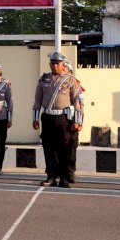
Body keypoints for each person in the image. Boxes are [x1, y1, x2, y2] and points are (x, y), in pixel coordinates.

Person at [32, 51, 83, 188]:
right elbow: (37, 101)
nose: (55, 66)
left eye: (58, 63)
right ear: (50, 64)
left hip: (63, 118)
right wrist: (35, 119)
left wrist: (77, 121)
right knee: (49, 148)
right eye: (53, 63)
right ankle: (51, 176)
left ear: (62, 64)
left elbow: (76, 102)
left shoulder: (70, 80)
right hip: (48, 117)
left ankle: (65, 178)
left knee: (64, 149)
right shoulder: (43, 79)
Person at [64, 61, 83, 183]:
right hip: (61, 120)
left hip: (72, 121)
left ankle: (70, 172)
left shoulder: (76, 84)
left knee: (71, 148)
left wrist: (80, 122)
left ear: (70, 72)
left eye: (65, 70)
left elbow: (81, 105)